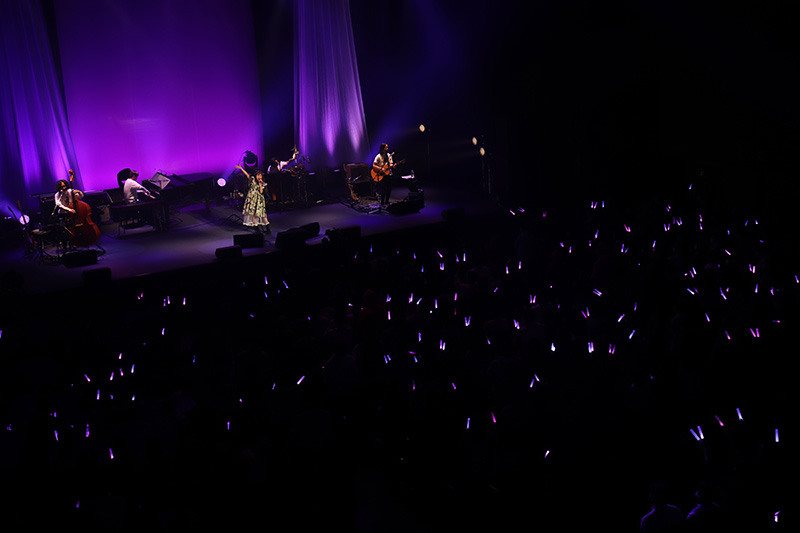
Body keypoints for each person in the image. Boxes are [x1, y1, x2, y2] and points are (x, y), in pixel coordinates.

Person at [235, 164, 271, 234]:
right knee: (253, 214)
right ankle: (257, 229)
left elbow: (261, 192)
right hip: (252, 200)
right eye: (257, 175)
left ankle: (268, 229)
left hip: (259, 201)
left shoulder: (263, 183)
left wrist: (260, 185)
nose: (259, 177)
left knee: (263, 214)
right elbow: (247, 175)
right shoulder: (253, 180)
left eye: (260, 175)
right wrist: (241, 168)